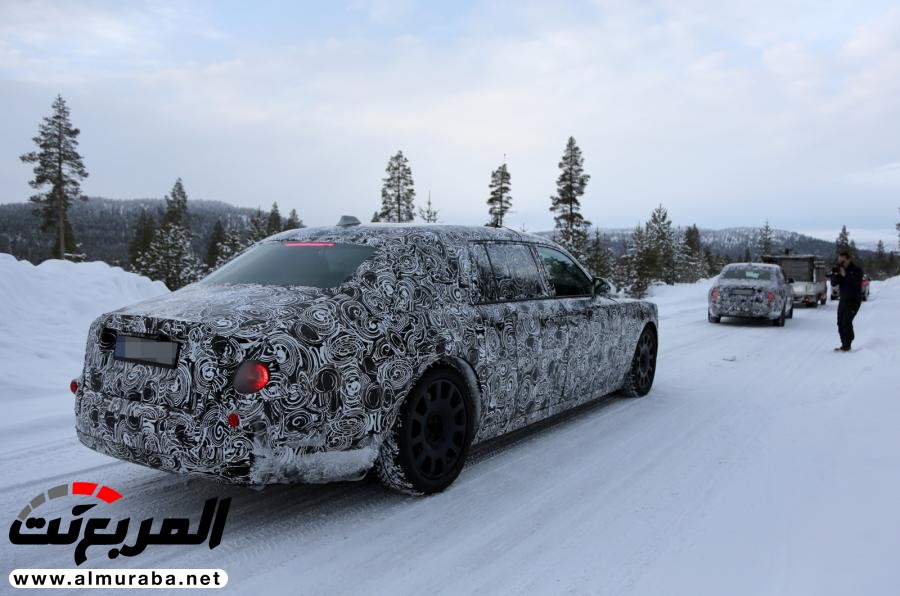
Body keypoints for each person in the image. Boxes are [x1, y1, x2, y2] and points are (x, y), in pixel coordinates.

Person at [830, 250, 864, 352]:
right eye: (839, 261)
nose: (841, 263)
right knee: (840, 322)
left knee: (846, 322)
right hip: (843, 300)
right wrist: (835, 274)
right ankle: (844, 343)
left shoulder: (857, 270)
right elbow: (833, 283)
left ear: (848, 260)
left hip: (854, 301)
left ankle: (847, 344)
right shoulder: (840, 270)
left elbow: (856, 283)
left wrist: (845, 275)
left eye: (843, 261)